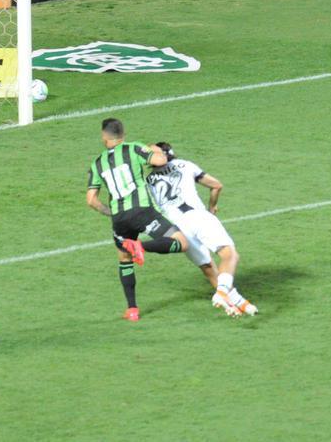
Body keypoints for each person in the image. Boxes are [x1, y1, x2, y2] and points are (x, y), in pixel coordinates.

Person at [86, 117, 189, 322]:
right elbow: (160, 161)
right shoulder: (133, 148)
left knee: (124, 259)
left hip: (119, 219)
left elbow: (91, 200)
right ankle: (140, 246)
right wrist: (155, 150)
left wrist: (110, 212)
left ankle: (132, 309)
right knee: (181, 242)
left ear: (104, 137)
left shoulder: (97, 163)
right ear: (123, 135)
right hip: (142, 211)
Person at [147, 143, 257, 317]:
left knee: (207, 266)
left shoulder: (147, 182)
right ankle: (221, 294)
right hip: (197, 216)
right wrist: (212, 208)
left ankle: (238, 304)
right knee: (229, 255)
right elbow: (216, 185)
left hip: (176, 229)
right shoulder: (184, 165)